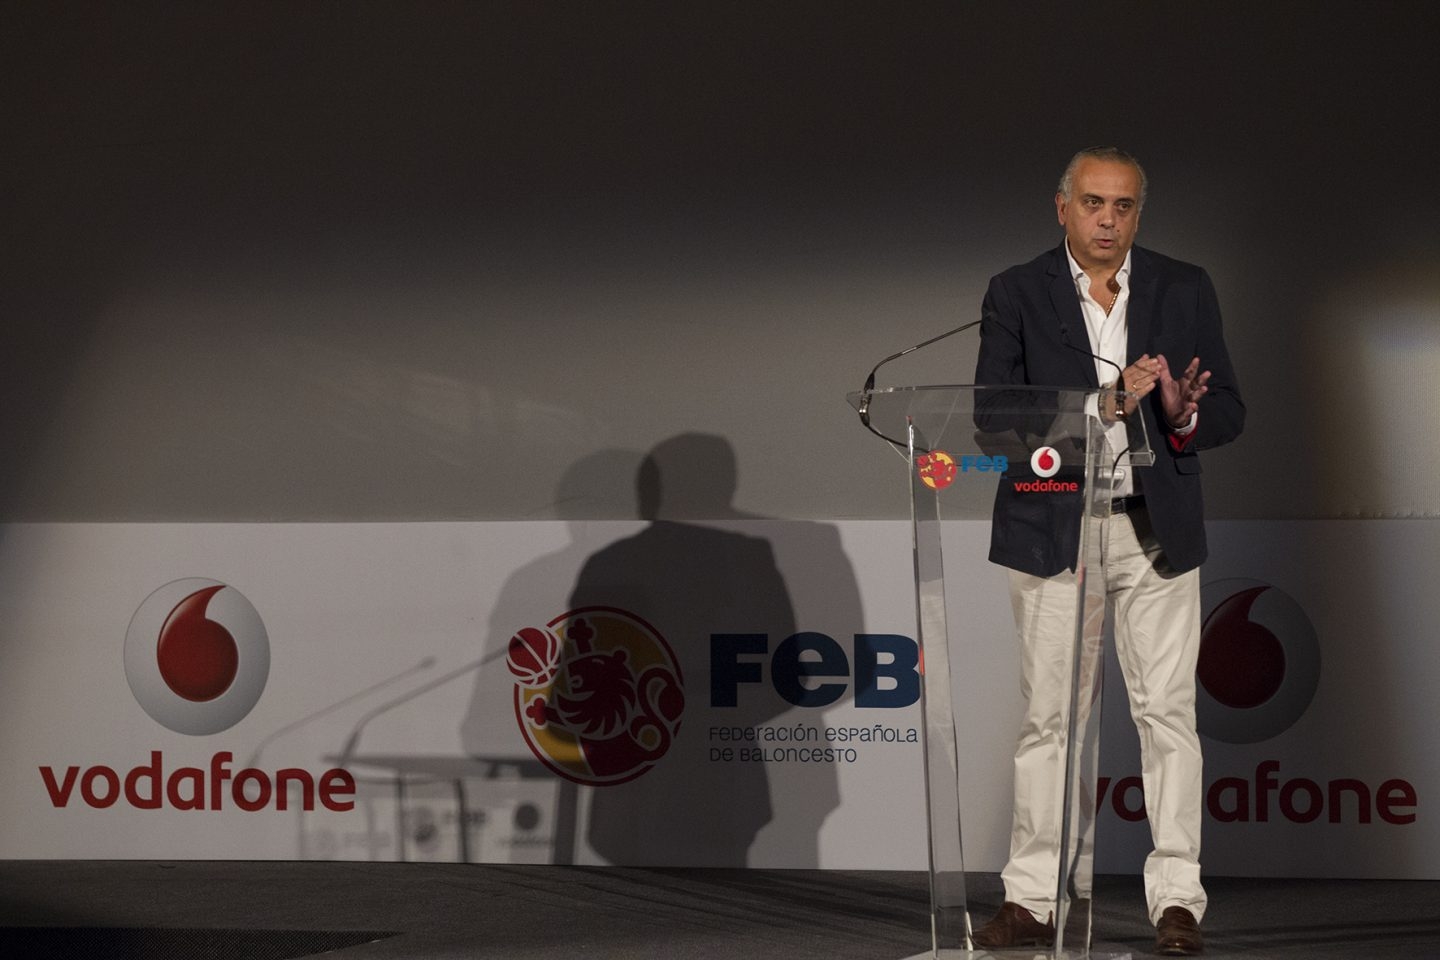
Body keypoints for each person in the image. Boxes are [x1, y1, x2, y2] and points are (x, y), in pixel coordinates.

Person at [971, 146, 1244, 957]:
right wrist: (1104, 403)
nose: (1108, 220)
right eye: (1093, 203)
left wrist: (1181, 412)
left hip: (1153, 530)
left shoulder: (1183, 286)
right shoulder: (1016, 293)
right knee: (1050, 720)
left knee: (1169, 718)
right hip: (1054, 525)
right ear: (1062, 208)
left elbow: (1226, 410)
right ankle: (1031, 900)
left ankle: (1177, 904)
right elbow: (993, 420)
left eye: (1123, 206)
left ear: (1138, 214)